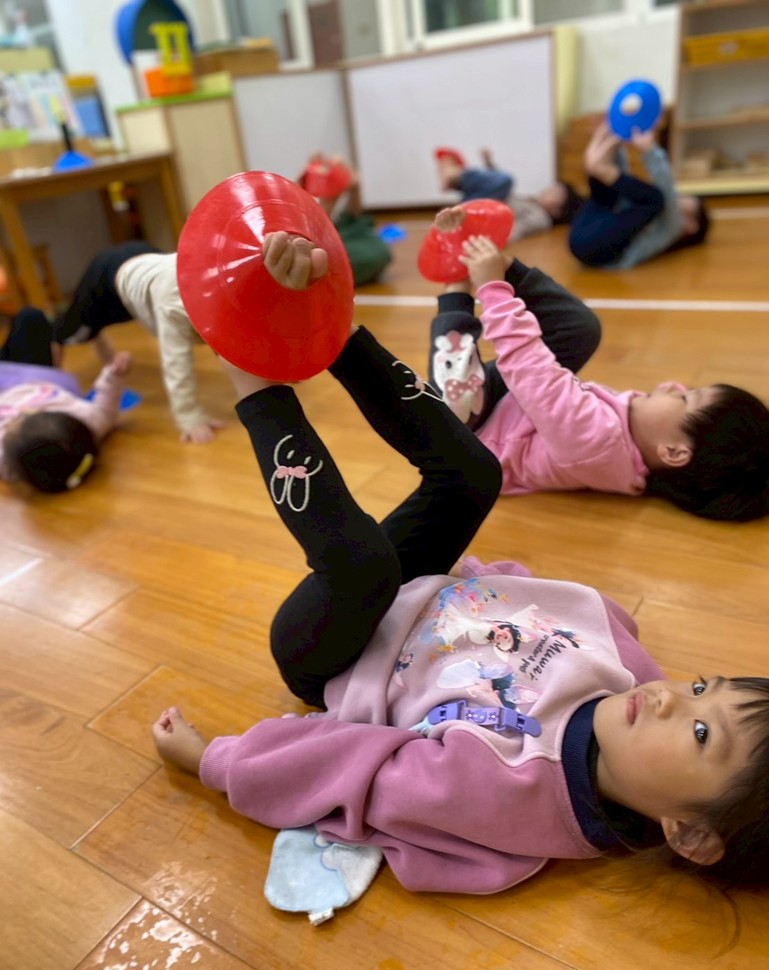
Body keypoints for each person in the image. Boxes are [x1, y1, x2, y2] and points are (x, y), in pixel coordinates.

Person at [153, 231, 769, 898]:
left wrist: (215, 761)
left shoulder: (504, 795)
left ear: (690, 834)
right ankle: (331, 327)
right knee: (475, 474)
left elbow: (346, 766)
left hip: (337, 653)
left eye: (701, 732)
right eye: (701, 687)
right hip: (422, 598)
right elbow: (582, 612)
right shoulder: (634, 681)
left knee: (360, 564)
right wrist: (483, 585)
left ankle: (247, 367)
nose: (674, 696)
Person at [423, 206, 769, 521]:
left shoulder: (598, 444)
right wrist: (501, 272)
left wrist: (492, 289)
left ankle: (457, 285)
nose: (671, 386)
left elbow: (535, 375)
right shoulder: (637, 440)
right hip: (510, 406)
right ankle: (499, 262)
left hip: (473, 435)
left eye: (684, 398)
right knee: (581, 329)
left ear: (674, 452)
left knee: (458, 402)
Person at [51, 240, 223, 444]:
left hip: (145, 259)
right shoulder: (174, 302)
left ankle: (100, 346)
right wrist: (189, 416)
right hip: (106, 274)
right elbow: (176, 360)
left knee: (96, 326)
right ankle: (48, 376)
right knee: (71, 332)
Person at [1, 306, 132, 492]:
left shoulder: (6, 459)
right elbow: (105, 409)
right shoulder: (85, 422)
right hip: (35, 373)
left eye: (10, 427)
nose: (22, 411)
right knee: (30, 317)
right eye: (27, 416)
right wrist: (115, 375)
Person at [568, 121, 709, 269]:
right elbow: (622, 185)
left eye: (685, 205)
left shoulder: (670, 230)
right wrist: (619, 144)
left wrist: (650, 151)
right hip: (587, 229)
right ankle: (601, 152)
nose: (678, 199)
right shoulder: (645, 219)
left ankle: (597, 161)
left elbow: (666, 190)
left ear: (691, 227)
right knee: (618, 193)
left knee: (656, 198)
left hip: (593, 248)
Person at [434, 146, 584, 240]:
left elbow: (516, 230)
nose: (549, 189)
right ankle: (454, 175)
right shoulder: (531, 201)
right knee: (500, 181)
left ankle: (455, 175)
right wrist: (489, 162)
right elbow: (494, 185)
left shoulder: (541, 218)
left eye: (556, 193)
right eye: (553, 187)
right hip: (481, 202)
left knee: (506, 180)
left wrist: (487, 239)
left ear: (558, 211)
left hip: (483, 213)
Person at [298, 153, 393, 287]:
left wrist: (353, 187)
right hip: (328, 250)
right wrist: (329, 198)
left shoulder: (350, 228)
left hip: (345, 244)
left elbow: (354, 216)